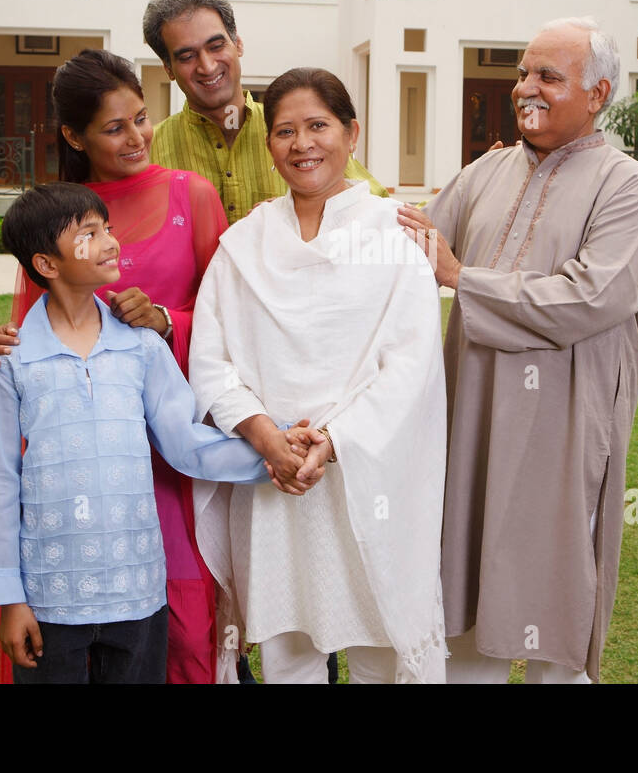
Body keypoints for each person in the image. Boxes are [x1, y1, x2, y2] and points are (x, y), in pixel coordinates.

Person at [397, 16, 638, 683]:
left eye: (548, 75)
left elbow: (589, 298)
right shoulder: (487, 169)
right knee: (466, 558)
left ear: (598, 93)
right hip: (476, 406)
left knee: (557, 562)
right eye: (522, 73)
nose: (525, 89)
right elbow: (412, 243)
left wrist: (462, 279)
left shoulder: (624, 183)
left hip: (567, 413)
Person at [0, 49, 233, 684]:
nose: (138, 137)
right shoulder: (56, 215)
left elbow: (232, 318)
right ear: (74, 136)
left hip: (171, 453)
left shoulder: (190, 195)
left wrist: (167, 323)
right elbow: (35, 333)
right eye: (115, 128)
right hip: (71, 470)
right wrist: (0, 351)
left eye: (142, 118)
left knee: (176, 629)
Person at [188, 67, 448, 683]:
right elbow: (211, 359)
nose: (301, 143)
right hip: (272, 475)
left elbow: (411, 363)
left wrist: (334, 442)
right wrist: (266, 438)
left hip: (371, 472)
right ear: (267, 144)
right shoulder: (242, 244)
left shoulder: (393, 233)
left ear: (351, 133)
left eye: (317, 126)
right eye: (284, 131)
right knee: (287, 646)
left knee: (383, 643)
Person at [0, 181, 273, 683]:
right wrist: (10, 599)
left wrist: (271, 451)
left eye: (108, 228)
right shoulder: (11, 364)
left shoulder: (142, 349)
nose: (111, 241)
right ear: (47, 265)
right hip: (50, 597)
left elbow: (188, 446)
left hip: (137, 590)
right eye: (91, 233)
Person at [142, 0, 388, 224]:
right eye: (187, 56)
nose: (207, 66)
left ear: (238, 44)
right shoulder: (148, 152)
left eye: (216, 46)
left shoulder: (298, 135)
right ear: (168, 69)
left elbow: (378, 209)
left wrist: (298, 212)